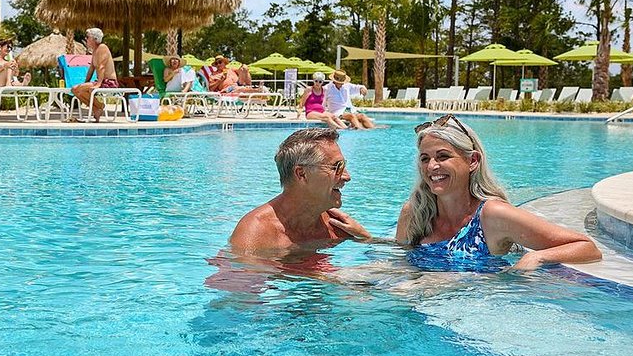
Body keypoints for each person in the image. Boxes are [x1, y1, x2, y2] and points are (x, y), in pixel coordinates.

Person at [396, 114, 601, 272]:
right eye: (425, 158)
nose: (432, 166)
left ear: (473, 161)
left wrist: (536, 257)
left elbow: (586, 247)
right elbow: (398, 263)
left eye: (443, 156)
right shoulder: (415, 212)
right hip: (418, 308)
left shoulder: (492, 215)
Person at [229, 127, 371, 260]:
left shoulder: (337, 226)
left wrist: (365, 237)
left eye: (343, 166)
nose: (347, 176)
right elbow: (237, 281)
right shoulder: (256, 233)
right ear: (301, 174)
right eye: (337, 167)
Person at [70, 27, 119, 121]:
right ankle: (97, 108)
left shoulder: (102, 48)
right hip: (100, 81)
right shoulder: (95, 51)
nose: (86, 39)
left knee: (76, 89)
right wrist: (85, 83)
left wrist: (98, 84)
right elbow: (91, 69)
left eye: (87, 37)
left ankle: (99, 107)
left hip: (108, 82)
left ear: (94, 39)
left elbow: (101, 67)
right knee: (75, 90)